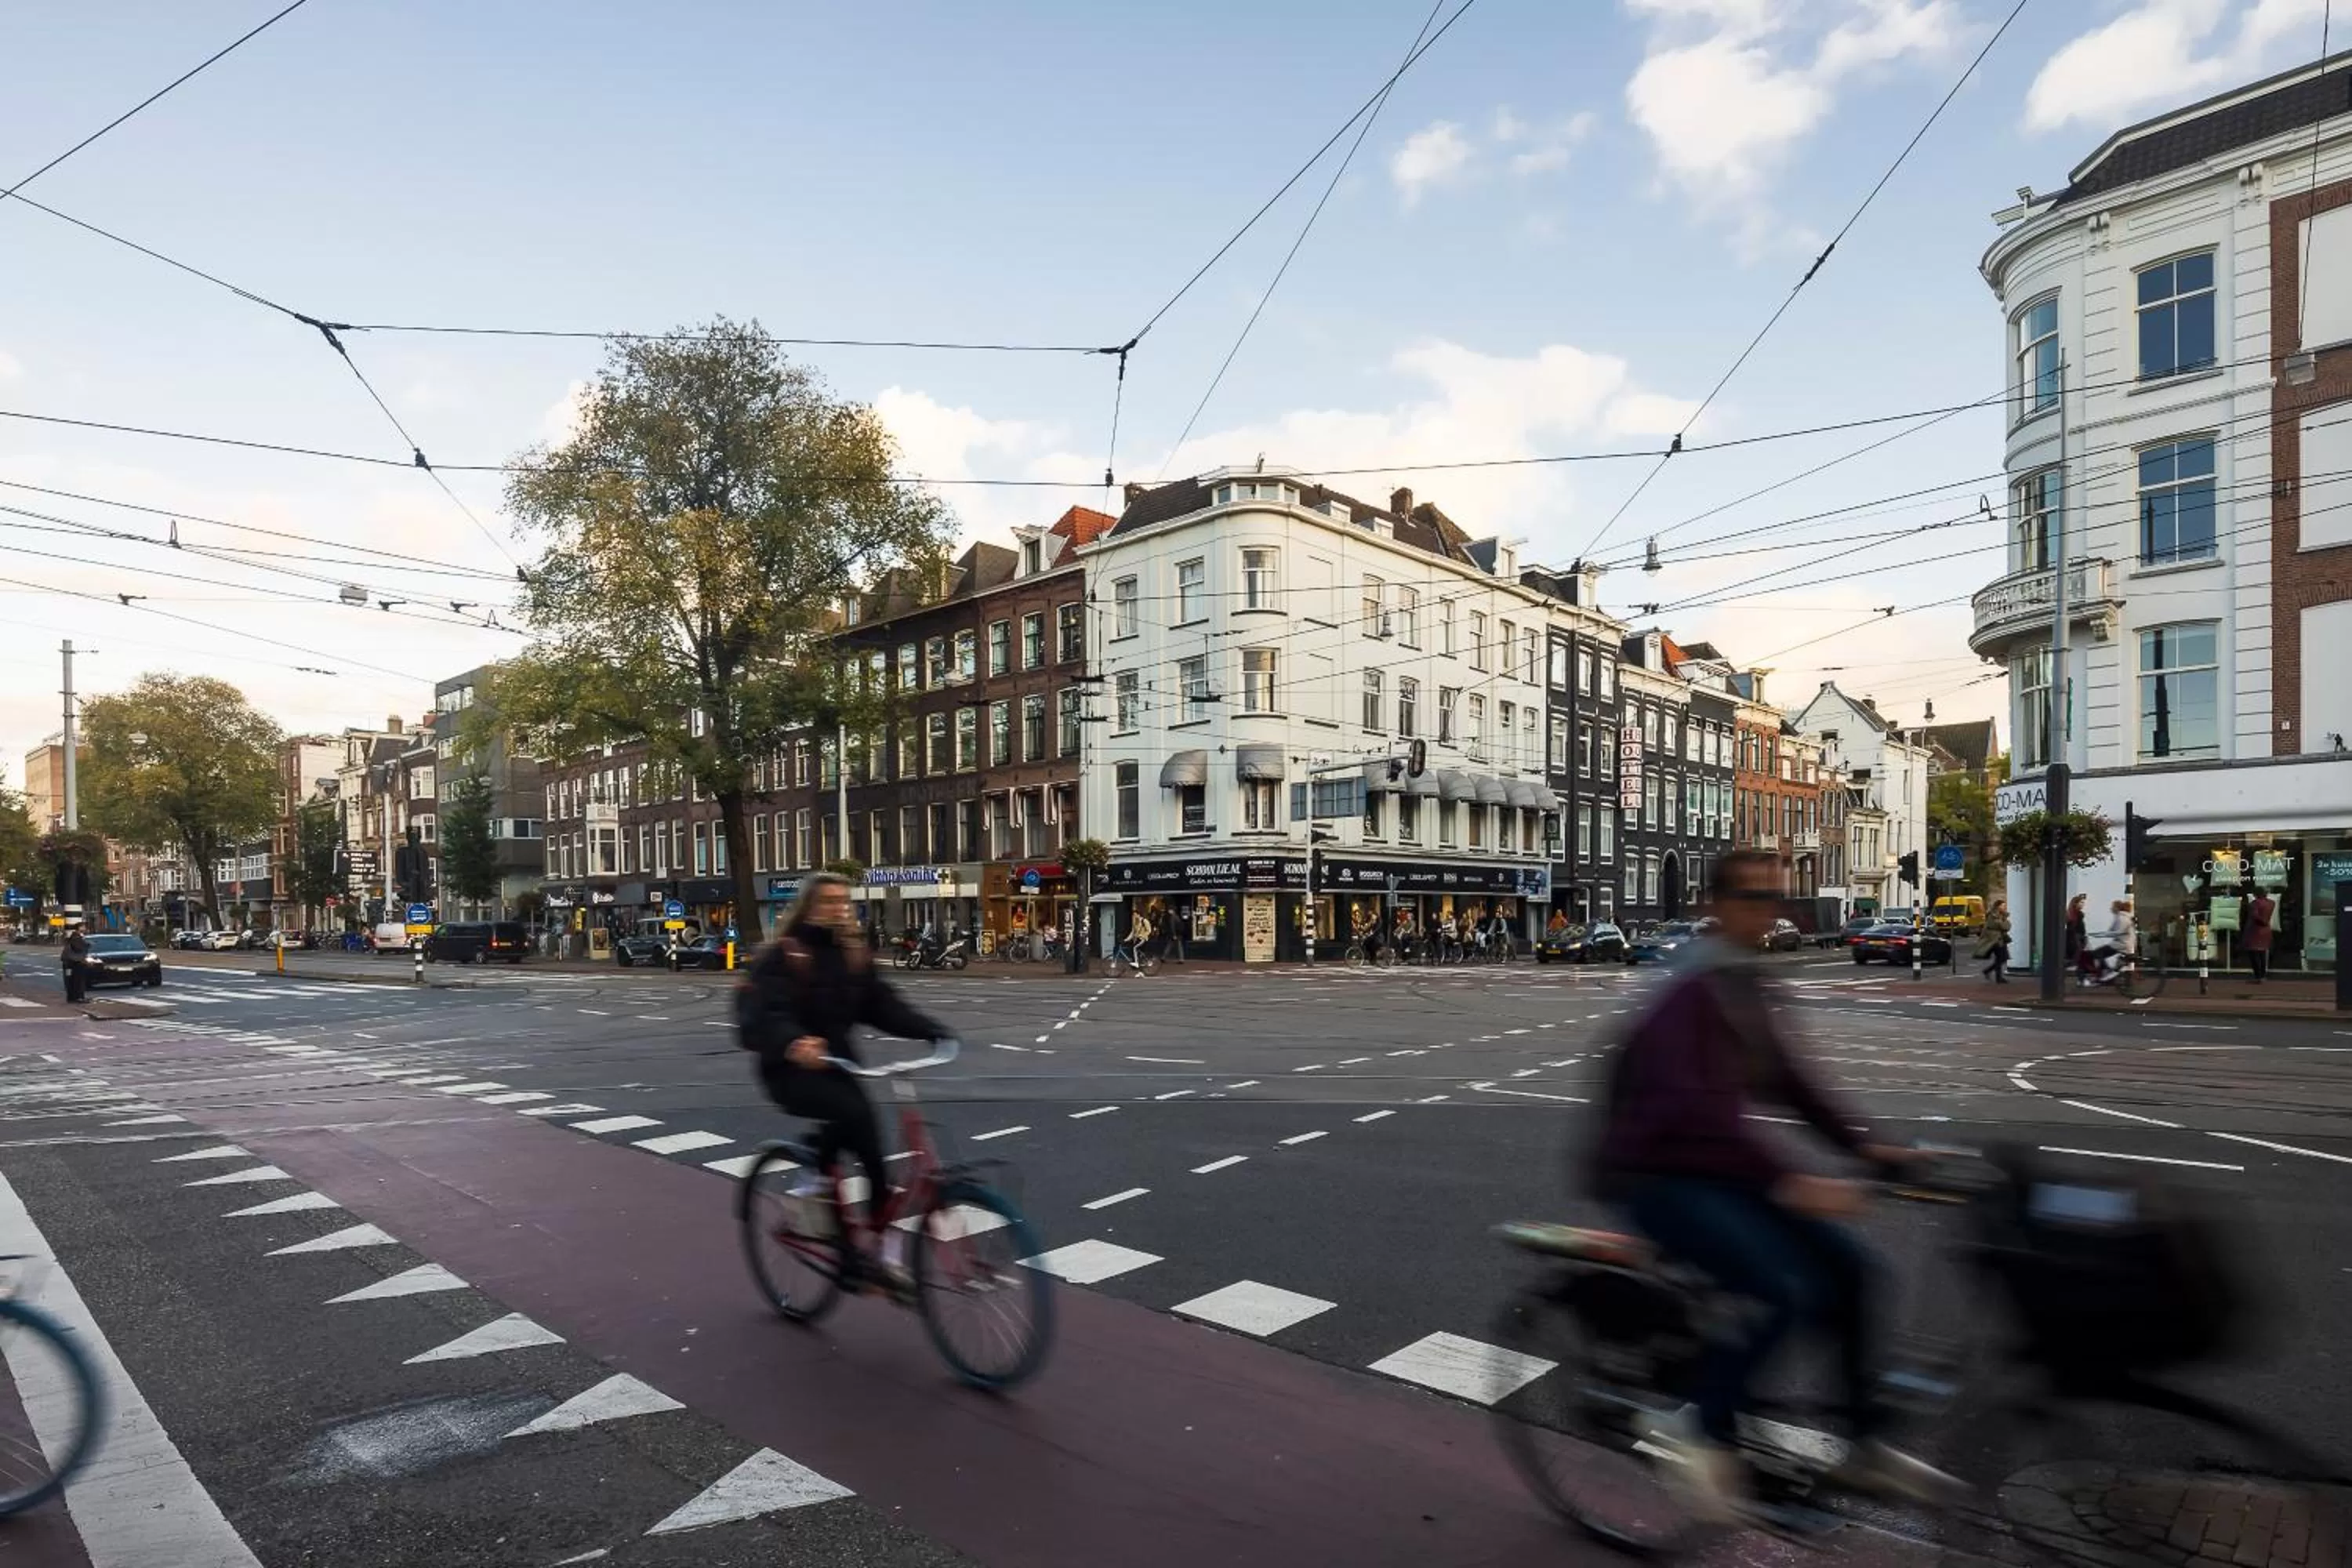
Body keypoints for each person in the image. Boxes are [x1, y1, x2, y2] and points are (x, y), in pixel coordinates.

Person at [1591, 848, 1958, 1519]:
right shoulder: (1687, 990)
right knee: (1778, 1289)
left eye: (1776, 899)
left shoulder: (1747, 983)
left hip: (1718, 1169)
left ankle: (1863, 1445)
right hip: (1656, 1175)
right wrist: (1790, 1182)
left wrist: (1875, 1151)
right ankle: (1693, 1427)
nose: (1771, 912)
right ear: (1715, 907)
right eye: (1754, 899)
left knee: (1855, 1271)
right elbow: (1691, 1111)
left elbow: (1795, 1083)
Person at [738, 873, 951, 1290]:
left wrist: (933, 1030)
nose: (838, 907)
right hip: (788, 1070)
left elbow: (882, 1005)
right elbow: (768, 1012)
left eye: (843, 900)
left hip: (840, 1067)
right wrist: (794, 1042)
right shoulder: (785, 954)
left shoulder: (851, 954)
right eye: (828, 900)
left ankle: (875, 1250)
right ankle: (835, 1225)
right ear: (809, 907)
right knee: (848, 1113)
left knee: (872, 1149)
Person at [2078, 898, 2134, 984]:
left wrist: (2099, 936)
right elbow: (2110, 931)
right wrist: (2096, 934)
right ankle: (2106, 972)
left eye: (2112, 907)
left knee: (2097, 953)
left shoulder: (2122, 918)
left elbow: (2117, 932)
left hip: (2121, 944)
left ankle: (2104, 974)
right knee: (2099, 954)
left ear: (2117, 908)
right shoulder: (2119, 917)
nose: (2111, 909)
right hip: (2120, 943)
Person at [2244, 890, 2275, 982]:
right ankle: (2263, 975)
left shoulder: (2254, 904)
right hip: (2266, 930)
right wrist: (2266, 922)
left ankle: (2258, 976)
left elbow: (2255, 916)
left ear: (2255, 894)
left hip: (2255, 930)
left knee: (2254, 953)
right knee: (2262, 953)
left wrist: (2262, 921)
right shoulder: (2272, 903)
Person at [1979, 899, 2012, 984]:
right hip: (1995, 940)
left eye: (2005, 906)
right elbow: (2001, 926)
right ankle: (1996, 976)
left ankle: (1991, 973)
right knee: (2001, 957)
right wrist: (2003, 923)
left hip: (2001, 939)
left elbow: (2007, 926)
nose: (2005, 907)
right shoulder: (1992, 915)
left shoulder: (2002, 916)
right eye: (2003, 906)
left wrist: (2003, 922)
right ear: (1998, 906)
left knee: (2002, 958)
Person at [60, 924, 91, 1004]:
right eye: (84, 926)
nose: (85, 928)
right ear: (79, 928)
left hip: (68, 962)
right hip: (76, 962)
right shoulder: (77, 937)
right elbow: (78, 948)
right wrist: (87, 945)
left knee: (70, 980)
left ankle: (71, 997)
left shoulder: (73, 936)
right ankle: (79, 997)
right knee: (79, 979)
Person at [2063, 893, 2088, 971]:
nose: (2083, 905)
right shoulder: (2076, 914)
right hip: (2077, 937)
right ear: (2076, 903)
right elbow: (2076, 927)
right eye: (2081, 903)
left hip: (2078, 936)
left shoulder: (2073, 913)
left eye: (2083, 903)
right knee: (2080, 953)